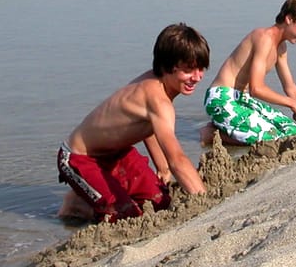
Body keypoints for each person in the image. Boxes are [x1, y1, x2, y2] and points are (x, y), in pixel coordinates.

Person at [57, 23, 209, 223]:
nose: (196, 77)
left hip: (116, 154)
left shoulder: (161, 85)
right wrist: (205, 202)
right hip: (79, 157)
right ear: (166, 67)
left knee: (160, 202)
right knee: (123, 216)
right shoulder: (157, 99)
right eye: (189, 70)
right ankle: (78, 203)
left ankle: (91, 194)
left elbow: (150, 128)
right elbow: (177, 159)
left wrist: (162, 169)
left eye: (201, 69)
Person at [202, 0, 296, 145]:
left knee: (291, 129)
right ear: (289, 19)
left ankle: (225, 128)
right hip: (221, 98)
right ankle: (211, 134)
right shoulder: (264, 38)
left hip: (242, 99)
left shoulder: (281, 48)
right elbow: (256, 89)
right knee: (273, 139)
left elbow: (290, 87)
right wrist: (291, 104)